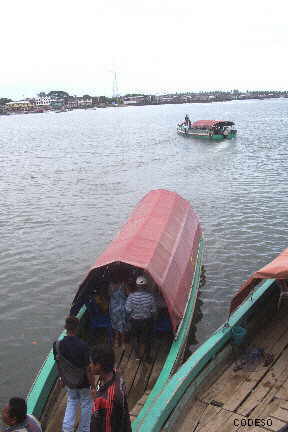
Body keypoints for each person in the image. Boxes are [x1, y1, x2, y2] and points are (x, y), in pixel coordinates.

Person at [53, 316, 94, 432]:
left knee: (72, 401)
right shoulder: (83, 346)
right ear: (77, 328)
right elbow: (88, 369)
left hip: (69, 381)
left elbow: (59, 364)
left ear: (65, 328)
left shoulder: (57, 345)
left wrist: (61, 378)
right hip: (83, 382)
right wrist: (93, 385)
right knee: (86, 403)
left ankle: (67, 428)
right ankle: (84, 429)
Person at [90, 344, 132, 432]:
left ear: (98, 365)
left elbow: (106, 427)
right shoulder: (116, 374)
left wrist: (96, 400)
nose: (90, 365)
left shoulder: (107, 400)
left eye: (92, 363)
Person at [125, 275, 157, 361]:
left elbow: (127, 310)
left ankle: (137, 356)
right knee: (146, 338)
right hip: (146, 321)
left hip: (135, 321)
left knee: (135, 338)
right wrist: (154, 319)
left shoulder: (131, 297)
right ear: (145, 286)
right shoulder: (150, 297)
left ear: (136, 286)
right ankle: (146, 356)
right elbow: (153, 311)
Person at [109, 279, 128, 348]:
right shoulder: (123, 284)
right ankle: (122, 342)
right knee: (123, 324)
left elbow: (109, 294)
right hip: (122, 307)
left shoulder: (111, 285)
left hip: (113, 308)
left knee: (116, 324)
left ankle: (116, 341)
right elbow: (128, 294)